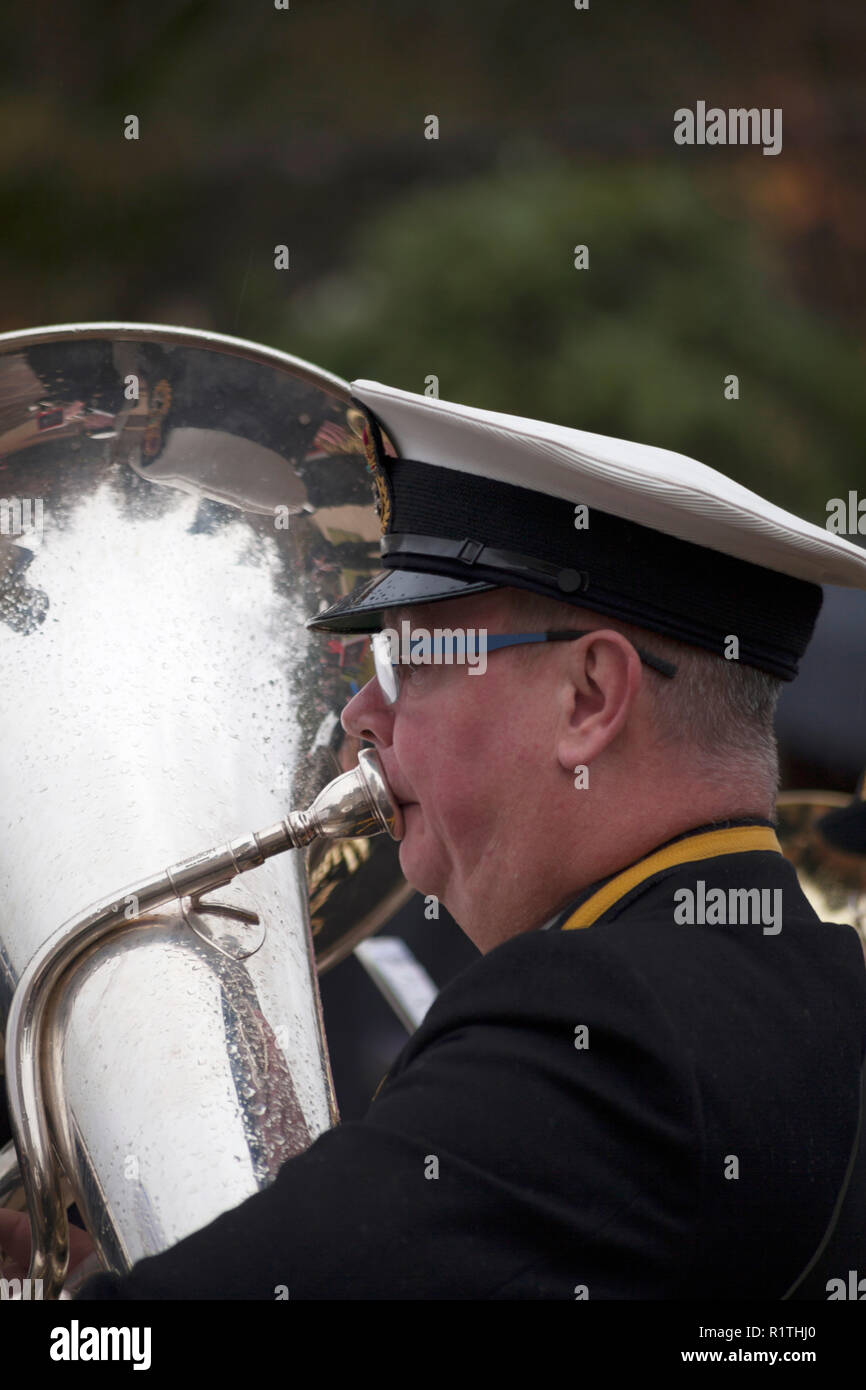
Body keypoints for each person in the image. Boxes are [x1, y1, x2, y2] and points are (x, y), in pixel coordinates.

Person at [4, 381, 866, 1298]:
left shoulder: (602, 1019)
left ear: (589, 698)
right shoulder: (807, 982)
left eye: (411, 657)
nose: (360, 712)